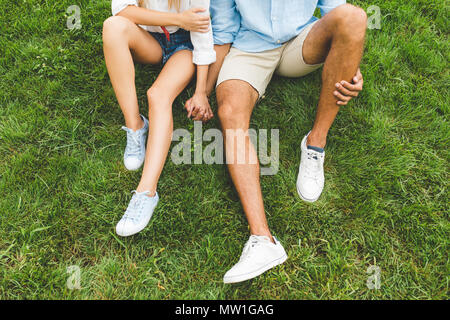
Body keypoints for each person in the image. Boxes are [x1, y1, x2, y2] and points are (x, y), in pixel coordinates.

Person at [185, 0, 367, 283]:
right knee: (230, 112)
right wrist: (203, 91)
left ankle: (315, 143)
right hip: (249, 47)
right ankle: (263, 241)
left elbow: (336, 16)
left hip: (302, 43)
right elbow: (223, 30)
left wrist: (350, 64)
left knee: (354, 16)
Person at [103, 0, 216, 237]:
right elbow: (121, 10)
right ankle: (136, 126)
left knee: (157, 95)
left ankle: (146, 192)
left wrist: (200, 91)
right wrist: (177, 19)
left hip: (186, 46)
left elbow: (203, 38)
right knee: (112, 26)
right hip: (151, 40)